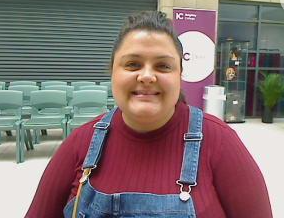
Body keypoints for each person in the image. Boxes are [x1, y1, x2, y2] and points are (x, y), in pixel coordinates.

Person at [26, 11, 273, 218]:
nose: (146, 76)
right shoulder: (80, 144)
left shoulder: (220, 143)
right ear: (112, 72)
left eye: (163, 66)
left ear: (179, 75)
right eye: (132, 64)